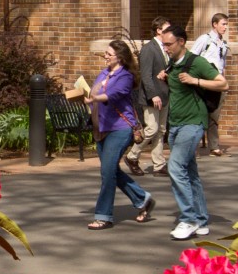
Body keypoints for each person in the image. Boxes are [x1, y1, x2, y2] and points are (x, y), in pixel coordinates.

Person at [154, 21, 225, 239]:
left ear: (181, 42)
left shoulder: (197, 62)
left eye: (169, 44)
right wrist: (164, 77)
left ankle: (188, 219)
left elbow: (223, 83)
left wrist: (195, 80)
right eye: (164, 45)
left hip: (193, 123)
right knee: (190, 173)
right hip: (175, 125)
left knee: (175, 167)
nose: (166, 48)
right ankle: (201, 220)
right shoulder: (173, 64)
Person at [85, 39, 153, 228]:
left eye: (109, 54)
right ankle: (143, 199)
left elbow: (114, 94)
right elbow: (93, 95)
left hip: (120, 128)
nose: (105, 56)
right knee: (112, 170)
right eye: (105, 53)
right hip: (101, 128)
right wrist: (86, 98)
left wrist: (97, 97)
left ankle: (103, 216)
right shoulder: (104, 73)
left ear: (120, 57)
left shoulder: (126, 76)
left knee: (107, 172)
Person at [128, 19, 170, 175]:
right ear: (159, 30)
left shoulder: (165, 48)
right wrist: (153, 95)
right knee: (151, 129)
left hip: (165, 94)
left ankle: (159, 164)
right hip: (151, 97)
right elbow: (145, 76)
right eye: (167, 28)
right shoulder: (148, 49)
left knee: (161, 130)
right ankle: (132, 156)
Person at [191, 12, 233, 154]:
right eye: (223, 24)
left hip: (218, 84)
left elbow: (223, 65)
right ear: (214, 24)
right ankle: (193, 146)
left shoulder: (223, 43)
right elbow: (192, 57)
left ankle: (214, 146)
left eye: (226, 24)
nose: (225, 27)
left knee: (214, 115)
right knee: (199, 114)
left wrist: (223, 80)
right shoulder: (205, 39)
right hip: (205, 83)